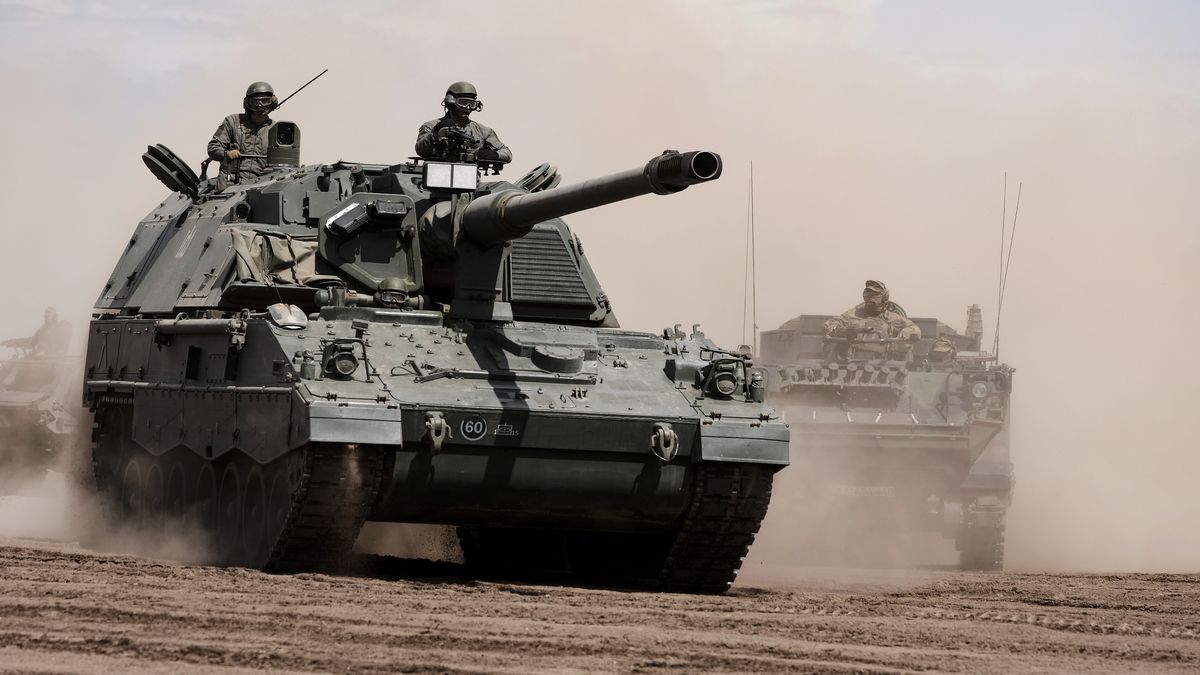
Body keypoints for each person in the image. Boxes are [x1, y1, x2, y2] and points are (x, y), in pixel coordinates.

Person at [415, 81, 511, 164]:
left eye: (472, 104)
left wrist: (494, 155)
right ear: (450, 102)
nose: (468, 108)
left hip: (469, 179)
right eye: (463, 103)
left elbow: (507, 153)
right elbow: (420, 150)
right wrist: (435, 132)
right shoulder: (431, 126)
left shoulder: (483, 131)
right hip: (436, 176)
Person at [207, 81, 277, 185]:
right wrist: (227, 154)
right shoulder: (232, 122)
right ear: (248, 103)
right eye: (255, 101)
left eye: (265, 101)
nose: (260, 105)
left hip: (261, 185)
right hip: (230, 182)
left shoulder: (276, 129)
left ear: (272, 102)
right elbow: (213, 147)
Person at [824, 280, 921, 341]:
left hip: (884, 360)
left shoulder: (892, 318)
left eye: (874, 296)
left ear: (884, 298)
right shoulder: (853, 314)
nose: (870, 299)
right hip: (848, 359)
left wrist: (906, 332)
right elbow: (831, 323)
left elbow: (915, 329)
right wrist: (836, 328)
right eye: (867, 295)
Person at [3, 307, 71, 357]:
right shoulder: (42, 329)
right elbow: (31, 341)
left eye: (49, 314)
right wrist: (13, 342)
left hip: (51, 362)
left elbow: (61, 348)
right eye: (45, 315)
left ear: (54, 316)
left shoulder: (59, 328)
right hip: (38, 359)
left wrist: (47, 353)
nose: (46, 316)